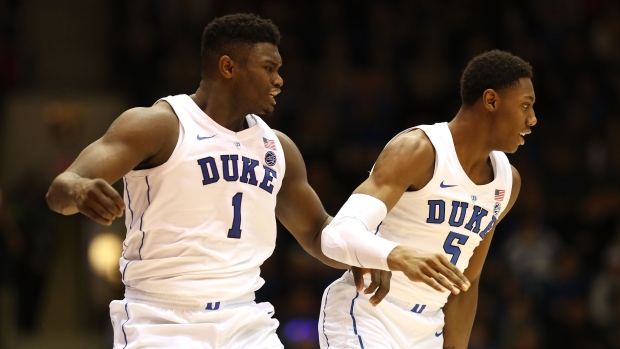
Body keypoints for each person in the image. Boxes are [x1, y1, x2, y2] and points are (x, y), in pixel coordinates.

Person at [45, 13, 391, 348]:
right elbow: (61, 188)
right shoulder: (160, 125)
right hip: (162, 319)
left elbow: (318, 232)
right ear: (228, 67)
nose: (279, 80)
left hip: (245, 320)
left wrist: (366, 252)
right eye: (269, 68)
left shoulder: (278, 147)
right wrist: (78, 189)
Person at [319, 50, 537, 348]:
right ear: (491, 101)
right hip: (369, 314)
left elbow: (467, 282)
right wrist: (396, 255)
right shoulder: (418, 150)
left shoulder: (508, 182)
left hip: (428, 328)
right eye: (525, 106)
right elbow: (337, 235)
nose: (532, 119)